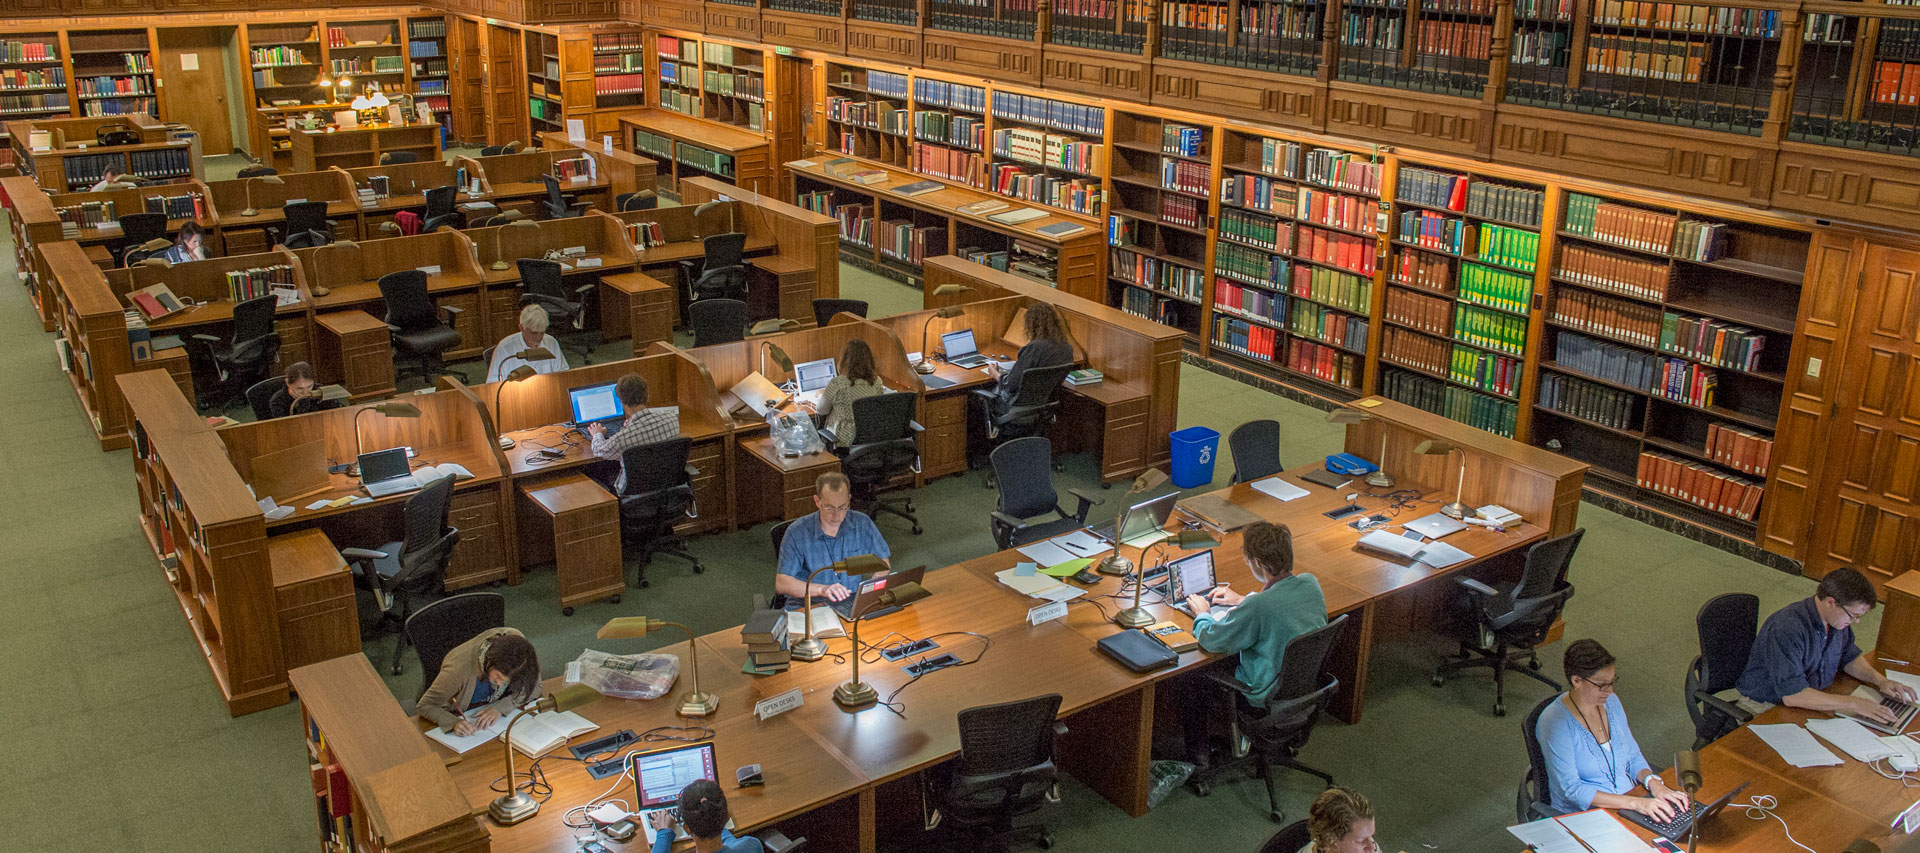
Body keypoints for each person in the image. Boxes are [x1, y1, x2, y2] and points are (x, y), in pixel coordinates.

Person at [1180, 522, 1326, 769]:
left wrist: (1202, 614)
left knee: (1190, 679)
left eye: (1247, 561)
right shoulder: (1310, 583)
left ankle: (1199, 760)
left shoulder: (1259, 608)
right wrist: (1244, 600)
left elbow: (1212, 640)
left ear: (1257, 562)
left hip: (1263, 700)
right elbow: (1278, 604)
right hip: (1302, 692)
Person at [1537, 639, 1693, 820]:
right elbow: (1573, 790)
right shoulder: (1555, 723)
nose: (1609, 691)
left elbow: (1633, 756)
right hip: (1586, 816)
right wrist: (1635, 803)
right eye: (1602, 685)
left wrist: (1653, 783)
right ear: (1577, 681)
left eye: (1612, 682)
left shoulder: (1611, 703)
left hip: (1628, 803)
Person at [1734, 567, 1918, 720]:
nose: (1856, 621)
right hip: (1766, 706)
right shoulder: (1787, 629)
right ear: (1831, 602)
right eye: (1854, 615)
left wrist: (1880, 681)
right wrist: (1853, 703)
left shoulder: (1836, 621)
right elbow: (1793, 695)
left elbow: (1849, 657)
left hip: (1810, 697)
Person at [773, 473, 891, 610]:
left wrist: (868, 591)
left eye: (842, 507)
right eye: (829, 508)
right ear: (817, 501)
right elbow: (782, 583)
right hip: (810, 604)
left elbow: (883, 565)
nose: (837, 515)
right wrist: (822, 590)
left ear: (849, 500)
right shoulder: (797, 532)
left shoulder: (862, 523)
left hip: (850, 601)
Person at [416, 629, 539, 735]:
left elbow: (535, 686)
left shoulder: (521, 653)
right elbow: (424, 706)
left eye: (507, 682)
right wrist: (453, 722)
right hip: (463, 717)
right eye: (497, 677)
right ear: (489, 662)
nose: (500, 684)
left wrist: (500, 708)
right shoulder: (458, 669)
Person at [588, 374, 679, 494]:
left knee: (596, 474)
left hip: (633, 494)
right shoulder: (672, 420)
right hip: (667, 488)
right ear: (647, 395)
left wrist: (597, 434)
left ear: (621, 401)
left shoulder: (623, 439)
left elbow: (599, 450)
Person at [984, 302, 1074, 413]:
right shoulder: (1067, 349)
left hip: (1013, 407)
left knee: (979, 397)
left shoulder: (1035, 348)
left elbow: (1010, 385)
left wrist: (995, 373)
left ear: (1032, 325)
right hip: (1041, 406)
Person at [648, 779, 762, 853]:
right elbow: (732, 843)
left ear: (686, 828)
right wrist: (712, 815)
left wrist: (664, 833)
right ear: (727, 817)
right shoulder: (752, 846)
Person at [812, 338, 884, 449]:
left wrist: (820, 396)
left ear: (844, 360)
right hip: (870, 439)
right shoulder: (877, 381)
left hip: (843, 442)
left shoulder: (837, 383)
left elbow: (821, 410)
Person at [486, 304, 570, 382]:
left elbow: (563, 375)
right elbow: (493, 384)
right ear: (522, 328)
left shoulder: (551, 342)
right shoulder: (504, 348)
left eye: (542, 333)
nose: (539, 338)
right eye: (534, 333)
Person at [1301, 787, 1378, 853]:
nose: (1372, 848)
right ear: (1331, 842)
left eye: (1371, 836)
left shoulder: (1369, 847)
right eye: (1361, 841)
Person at [266, 361, 342, 419]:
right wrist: (303, 402)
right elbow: (290, 427)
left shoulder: (320, 390)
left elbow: (339, 413)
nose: (306, 392)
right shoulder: (278, 401)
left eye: (309, 386)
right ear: (288, 383)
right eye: (300, 388)